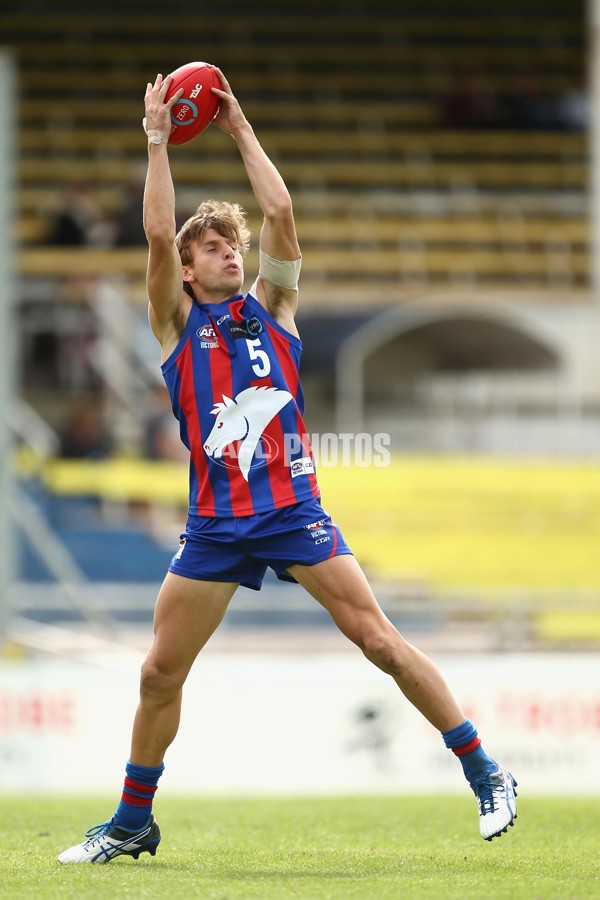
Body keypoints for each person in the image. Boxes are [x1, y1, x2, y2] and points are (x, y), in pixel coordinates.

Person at [57, 70, 517, 865]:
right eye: (211, 249)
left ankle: (486, 771)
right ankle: (133, 821)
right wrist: (159, 140)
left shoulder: (276, 312)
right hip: (215, 526)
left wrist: (237, 126)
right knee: (159, 673)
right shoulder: (174, 326)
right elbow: (156, 236)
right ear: (191, 272)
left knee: (378, 641)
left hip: (293, 512)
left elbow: (280, 212)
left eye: (229, 245)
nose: (227, 254)